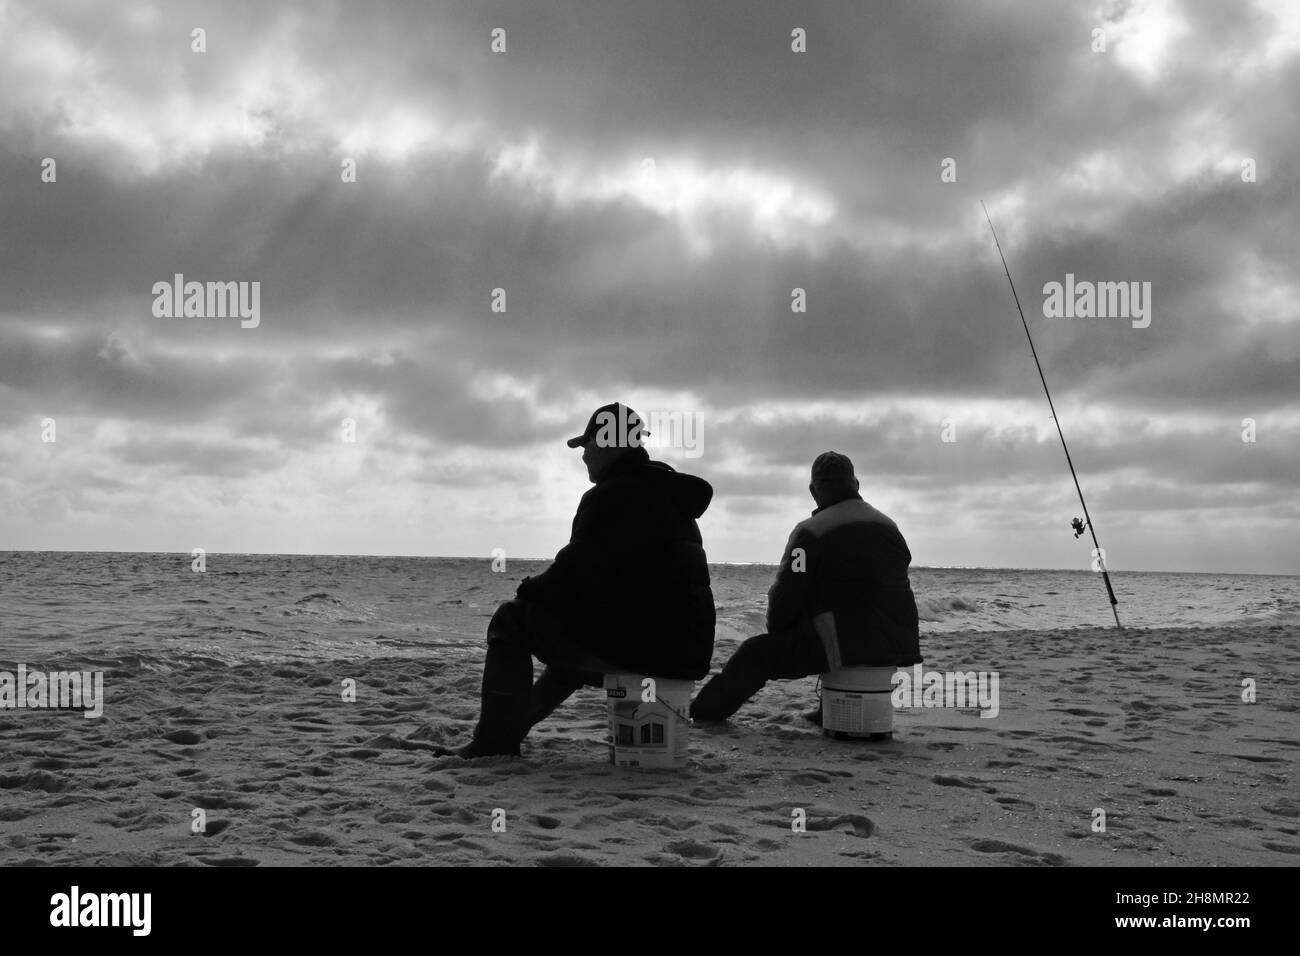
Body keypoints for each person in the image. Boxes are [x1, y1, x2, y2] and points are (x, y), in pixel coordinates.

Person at [436, 403, 716, 758]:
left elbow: (574, 573)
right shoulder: (668, 494)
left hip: (646, 648)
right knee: (573, 643)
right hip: (683, 650)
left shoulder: (612, 495)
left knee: (511, 620)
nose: (583, 456)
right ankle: (508, 731)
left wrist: (529, 589)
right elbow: (606, 577)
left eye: (587, 446)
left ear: (607, 443)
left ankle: (494, 742)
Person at [690, 451, 921, 722]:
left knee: (756, 653)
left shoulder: (811, 533)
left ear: (814, 490)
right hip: (897, 644)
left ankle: (702, 714)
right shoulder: (889, 527)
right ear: (856, 484)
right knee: (839, 613)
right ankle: (828, 708)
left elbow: (785, 597)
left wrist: (780, 633)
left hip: (846, 646)